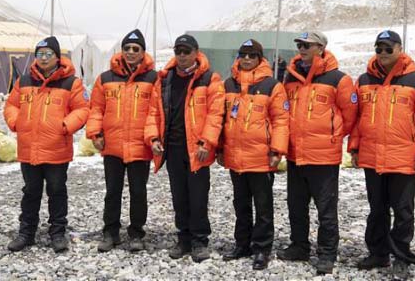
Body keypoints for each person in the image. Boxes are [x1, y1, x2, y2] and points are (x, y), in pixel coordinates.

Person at [349, 30, 415, 280]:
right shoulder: (364, 80)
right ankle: (378, 253)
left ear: (400, 49)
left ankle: (401, 254)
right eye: (378, 48)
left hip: (403, 158)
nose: (382, 53)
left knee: (403, 210)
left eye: (388, 48)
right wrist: (354, 148)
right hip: (372, 156)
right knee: (376, 209)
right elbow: (357, 119)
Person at [278, 31, 357, 275]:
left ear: (321, 48)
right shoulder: (289, 78)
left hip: (323, 156)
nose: (301, 49)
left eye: (307, 45)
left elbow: (351, 115)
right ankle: (299, 246)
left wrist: (332, 137)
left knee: (326, 209)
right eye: (299, 45)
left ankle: (327, 253)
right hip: (295, 154)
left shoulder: (338, 79)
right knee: (296, 205)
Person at [3, 36, 90, 253]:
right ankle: (26, 233)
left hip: (56, 148)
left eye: (48, 54)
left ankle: (57, 233)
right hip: (29, 148)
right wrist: (16, 122)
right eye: (40, 54)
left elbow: (82, 109)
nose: (43, 58)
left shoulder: (71, 82)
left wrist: (65, 126)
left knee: (57, 190)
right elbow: (11, 105)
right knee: (30, 191)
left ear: (57, 56)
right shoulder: (24, 81)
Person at [144, 34, 225, 262]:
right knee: (179, 197)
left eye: (186, 51)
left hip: (197, 149)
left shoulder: (210, 79)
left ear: (196, 52)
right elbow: (153, 112)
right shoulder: (165, 79)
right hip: (173, 148)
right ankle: (183, 239)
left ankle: (200, 240)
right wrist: (153, 138)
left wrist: (206, 142)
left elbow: (215, 114)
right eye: (178, 51)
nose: (181, 55)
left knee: (198, 197)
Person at [217, 39, 289, 270]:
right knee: (241, 204)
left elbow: (281, 121)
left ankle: (262, 248)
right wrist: (219, 148)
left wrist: (277, 150)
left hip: (260, 157)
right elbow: (220, 119)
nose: (247, 59)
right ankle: (242, 244)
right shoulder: (229, 84)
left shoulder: (272, 86)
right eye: (243, 55)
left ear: (260, 59)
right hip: (235, 157)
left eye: (252, 55)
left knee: (263, 206)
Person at [87, 29, 157, 252]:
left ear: (143, 52)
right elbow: (96, 109)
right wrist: (95, 134)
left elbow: (156, 112)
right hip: (113, 145)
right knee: (112, 191)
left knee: (138, 191)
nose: (130, 52)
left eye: (135, 49)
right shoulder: (106, 78)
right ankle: (110, 232)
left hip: (139, 145)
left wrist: (154, 137)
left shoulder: (153, 78)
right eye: (127, 48)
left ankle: (136, 233)